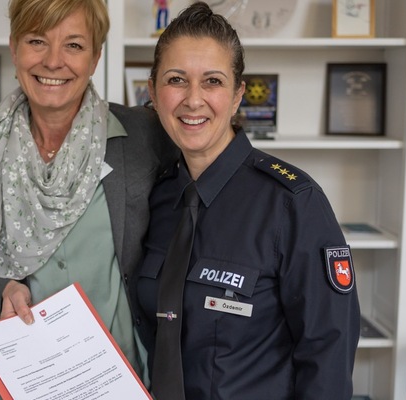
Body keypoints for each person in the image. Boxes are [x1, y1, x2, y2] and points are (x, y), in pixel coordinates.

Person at [0, 0, 176, 398]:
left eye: (74, 45)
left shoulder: (144, 135)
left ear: (96, 56)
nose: (53, 61)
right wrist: (1, 291)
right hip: (23, 379)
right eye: (37, 41)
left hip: (124, 378)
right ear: (14, 47)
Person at [136, 2, 361, 399]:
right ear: (152, 91)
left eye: (212, 82)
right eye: (176, 80)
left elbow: (328, 352)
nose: (193, 100)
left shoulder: (292, 204)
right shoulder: (155, 196)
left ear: (238, 95)